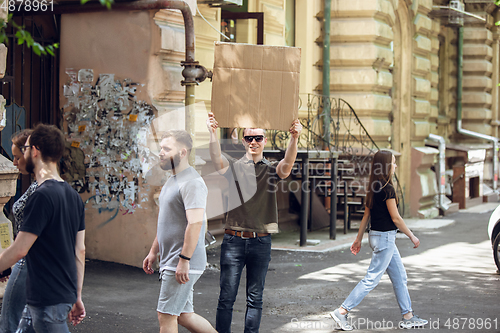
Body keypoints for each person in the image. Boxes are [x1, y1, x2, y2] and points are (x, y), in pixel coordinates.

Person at [206, 112, 302, 333]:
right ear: (243, 141)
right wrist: (212, 133)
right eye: (249, 138)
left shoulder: (271, 169)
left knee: (255, 299)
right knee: (226, 298)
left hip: (260, 242)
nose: (254, 142)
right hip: (233, 241)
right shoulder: (233, 167)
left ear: (265, 141)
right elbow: (215, 158)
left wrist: (294, 138)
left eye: (258, 138)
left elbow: (287, 165)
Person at [0, 124, 86, 333]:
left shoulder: (41, 196)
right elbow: (80, 250)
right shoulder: (73, 196)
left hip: (47, 296)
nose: (23, 154)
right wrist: (77, 295)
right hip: (60, 294)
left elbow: (20, 249)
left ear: (35, 150)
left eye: (26, 148)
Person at [329, 150, 428, 331]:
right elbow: (396, 218)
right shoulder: (387, 189)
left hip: (377, 236)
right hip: (385, 239)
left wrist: (358, 239)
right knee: (372, 279)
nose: (395, 166)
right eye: (393, 162)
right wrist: (412, 235)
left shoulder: (374, 186)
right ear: (386, 165)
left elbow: (366, 215)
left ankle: (408, 316)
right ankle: (342, 311)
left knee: (400, 277)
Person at [142, 130, 216, 333]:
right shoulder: (172, 180)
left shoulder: (192, 182)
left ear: (182, 152)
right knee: (184, 316)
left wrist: (184, 259)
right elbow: (166, 222)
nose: (161, 153)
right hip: (172, 259)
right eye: (161, 148)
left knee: (166, 316)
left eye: (167, 149)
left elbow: (195, 224)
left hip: (182, 260)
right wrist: (153, 251)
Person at [0, 130, 37, 333]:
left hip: (28, 263)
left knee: (11, 325)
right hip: (33, 264)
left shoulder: (41, 191)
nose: (14, 162)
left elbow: (24, 243)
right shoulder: (42, 187)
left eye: (17, 157)